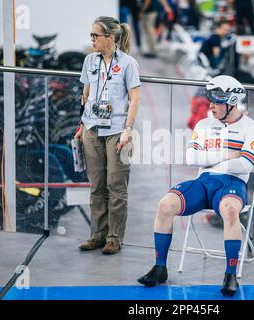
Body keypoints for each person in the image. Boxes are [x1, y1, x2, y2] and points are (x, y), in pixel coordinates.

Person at [137, 75, 254, 297]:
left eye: (216, 101)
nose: (211, 105)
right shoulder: (204, 124)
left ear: (232, 101)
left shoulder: (252, 128)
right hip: (203, 183)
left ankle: (230, 274)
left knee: (231, 211)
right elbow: (191, 158)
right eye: (210, 100)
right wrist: (225, 154)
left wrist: (210, 159)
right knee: (165, 204)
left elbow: (245, 163)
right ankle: (160, 267)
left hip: (232, 185)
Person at [75, 16, 141, 254]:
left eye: (96, 36)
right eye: (91, 35)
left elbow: (134, 99)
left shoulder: (127, 64)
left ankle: (114, 237)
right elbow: (86, 93)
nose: (92, 39)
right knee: (97, 185)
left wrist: (128, 130)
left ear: (110, 38)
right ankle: (99, 234)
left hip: (117, 132)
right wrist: (82, 123)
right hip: (92, 129)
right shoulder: (89, 61)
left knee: (116, 185)